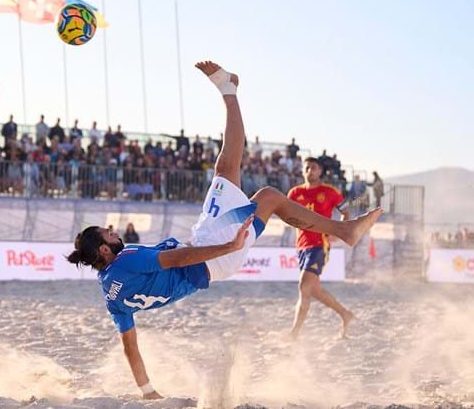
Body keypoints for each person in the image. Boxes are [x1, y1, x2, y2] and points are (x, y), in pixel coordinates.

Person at [66, 60, 382, 400]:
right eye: (107, 233)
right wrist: (228, 247)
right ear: (102, 249)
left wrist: (148, 391)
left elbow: (130, 348)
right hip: (212, 251)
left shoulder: (109, 293)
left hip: (212, 258)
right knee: (264, 191)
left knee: (239, 175)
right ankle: (345, 231)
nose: (113, 231)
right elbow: (181, 257)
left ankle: (229, 90)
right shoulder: (125, 260)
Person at [286, 157, 353, 340]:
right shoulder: (294, 193)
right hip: (301, 246)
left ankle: (294, 333)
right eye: (307, 168)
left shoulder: (331, 192)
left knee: (303, 286)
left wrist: (337, 233)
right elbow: (286, 214)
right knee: (312, 290)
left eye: (314, 168)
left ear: (320, 171)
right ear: (302, 171)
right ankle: (345, 314)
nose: (310, 171)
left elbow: (346, 212)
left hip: (319, 245)